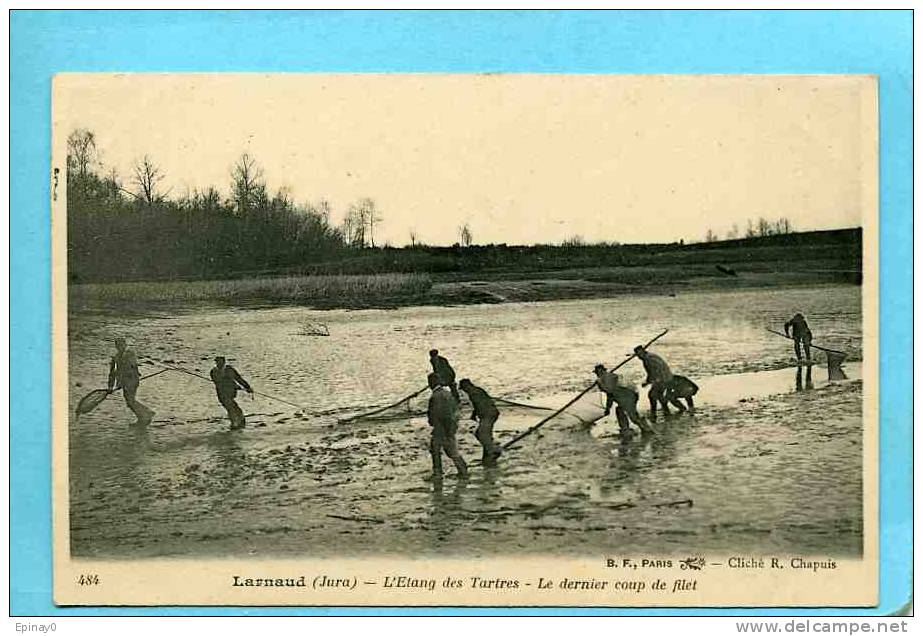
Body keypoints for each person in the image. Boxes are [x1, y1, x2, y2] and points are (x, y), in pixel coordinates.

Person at [426, 372, 468, 480]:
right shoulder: (447, 393)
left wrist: (435, 424)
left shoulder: (436, 396)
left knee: (440, 450)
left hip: (442, 428)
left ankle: (439, 473)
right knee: (447, 450)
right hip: (449, 426)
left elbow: (437, 414)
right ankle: (461, 469)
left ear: (432, 383)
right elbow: (454, 410)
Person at [593, 364, 654, 437]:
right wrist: (608, 408)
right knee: (620, 411)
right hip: (628, 395)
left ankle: (647, 430)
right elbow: (610, 395)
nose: (597, 374)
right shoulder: (607, 377)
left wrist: (600, 383)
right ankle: (626, 429)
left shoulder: (607, 378)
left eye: (597, 373)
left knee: (633, 417)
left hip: (628, 396)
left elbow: (609, 391)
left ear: (601, 371)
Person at [107, 337, 154, 425]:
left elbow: (133, 367)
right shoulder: (116, 357)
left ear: (125, 345)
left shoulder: (130, 354)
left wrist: (133, 377)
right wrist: (111, 386)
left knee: (130, 401)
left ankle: (147, 413)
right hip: (123, 382)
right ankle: (143, 417)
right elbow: (112, 373)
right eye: (118, 345)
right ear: (116, 346)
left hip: (132, 380)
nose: (120, 347)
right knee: (129, 401)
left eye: (122, 345)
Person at [459, 378, 503, 465]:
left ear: (466, 386)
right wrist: (474, 415)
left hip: (488, 415)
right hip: (491, 413)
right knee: (480, 434)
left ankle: (494, 452)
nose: (463, 391)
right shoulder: (478, 390)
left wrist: (476, 415)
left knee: (483, 435)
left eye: (463, 388)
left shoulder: (472, 393)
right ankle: (487, 455)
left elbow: (479, 404)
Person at [209, 356, 253, 430]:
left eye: (220, 362)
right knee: (230, 406)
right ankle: (238, 420)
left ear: (224, 362)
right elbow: (217, 382)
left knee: (231, 406)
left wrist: (247, 387)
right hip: (221, 392)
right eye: (217, 362)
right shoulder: (213, 371)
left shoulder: (230, 369)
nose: (219, 364)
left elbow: (238, 378)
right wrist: (235, 385)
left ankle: (237, 421)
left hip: (230, 391)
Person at [634, 345, 675, 421]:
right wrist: (649, 381)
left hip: (662, 379)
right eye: (637, 355)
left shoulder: (648, 359)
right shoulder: (649, 356)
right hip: (666, 378)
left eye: (639, 355)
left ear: (642, 352)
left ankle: (654, 414)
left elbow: (654, 372)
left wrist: (649, 382)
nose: (638, 357)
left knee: (652, 395)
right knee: (658, 395)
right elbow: (651, 372)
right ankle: (666, 411)